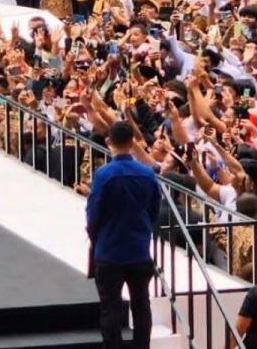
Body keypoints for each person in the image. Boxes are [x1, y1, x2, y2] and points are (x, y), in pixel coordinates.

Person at [85, 121, 159, 349]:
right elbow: (154, 209)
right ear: (132, 142)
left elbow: (94, 212)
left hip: (109, 250)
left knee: (110, 307)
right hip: (139, 249)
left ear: (109, 142)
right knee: (141, 304)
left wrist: (94, 234)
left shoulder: (104, 174)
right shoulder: (147, 174)